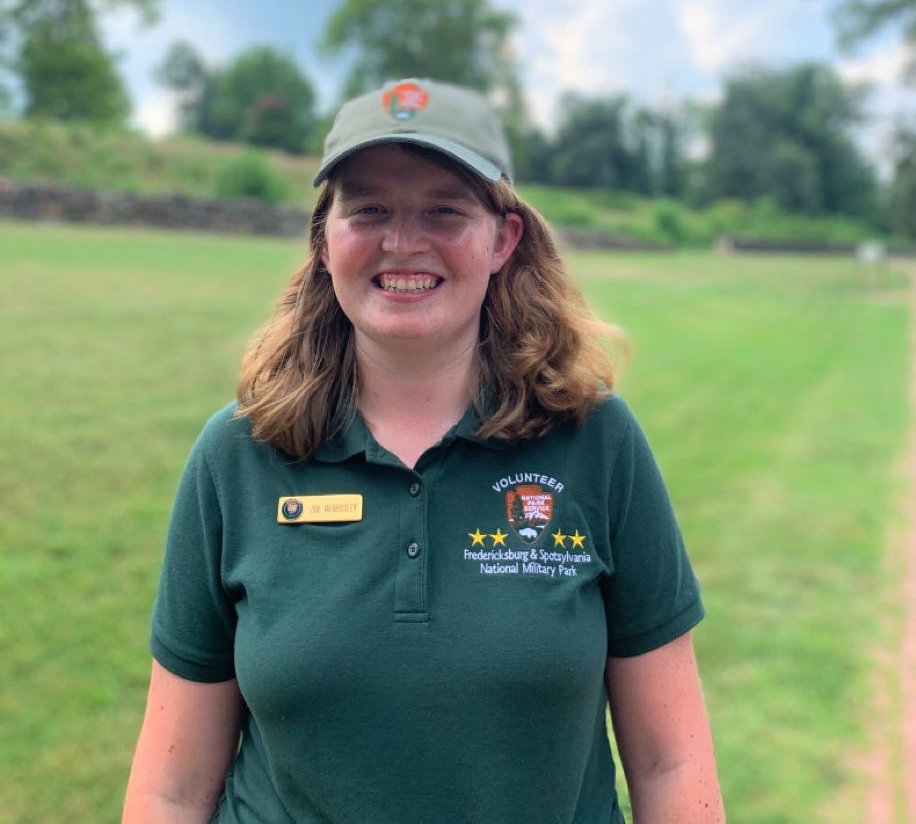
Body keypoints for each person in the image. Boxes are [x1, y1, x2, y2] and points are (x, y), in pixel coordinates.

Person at [122, 78, 725, 823]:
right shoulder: (236, 456)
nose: (402, 241)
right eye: (368, 208)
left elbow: (673, 765)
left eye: (444, 209)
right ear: (324, 237)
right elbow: (170, 790)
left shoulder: (596, 443)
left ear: (503, 239)